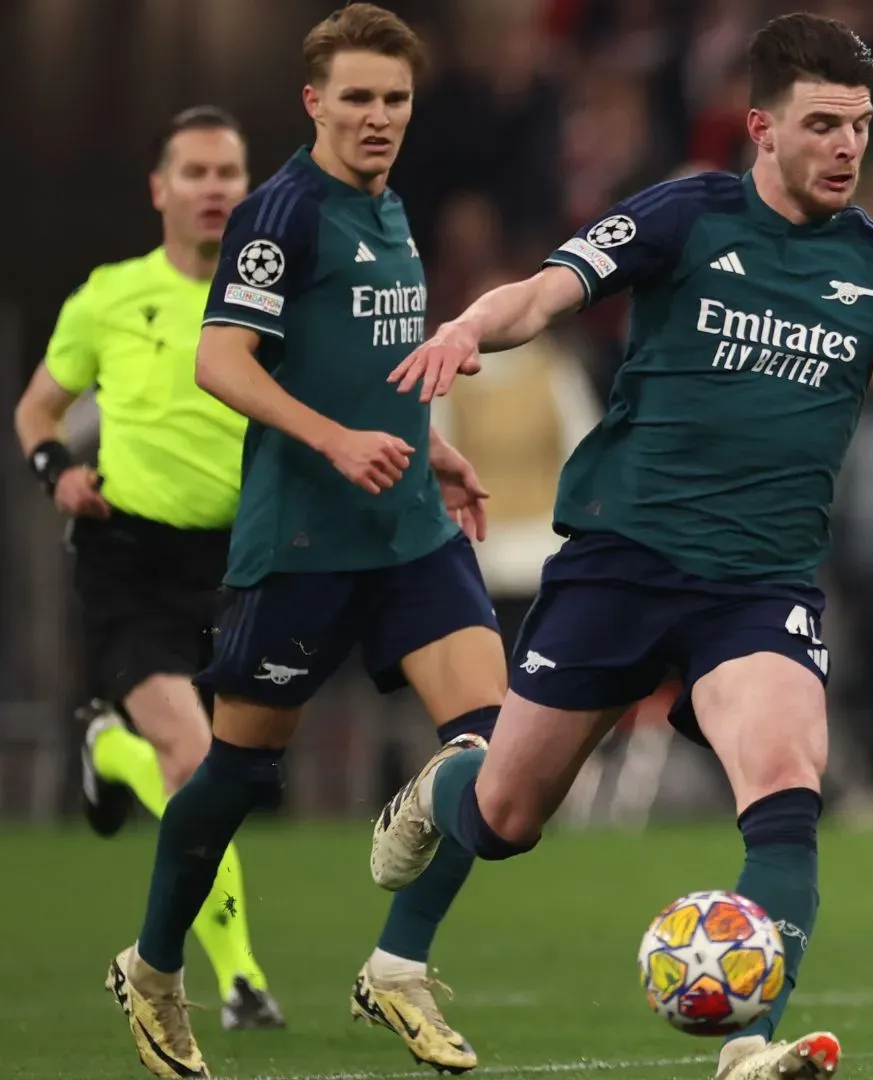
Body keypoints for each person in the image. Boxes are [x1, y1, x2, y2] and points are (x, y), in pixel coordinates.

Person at [369, 13, 873, 1080]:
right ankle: (426, 852)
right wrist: (471, 327)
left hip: (761, 585)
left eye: (861, 126)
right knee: (506, 817)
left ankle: (753, 1041)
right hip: (620, 561)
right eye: (823, 123)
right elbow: (549, 290)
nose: (847, 147)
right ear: (760, 127)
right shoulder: (686, 215)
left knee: (788, 781)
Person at [104, 7, 502, 1077]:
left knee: (501, 756)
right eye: (360, 98)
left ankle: (399, 969)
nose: (380, 118)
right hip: (307, 541)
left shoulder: (390, 205)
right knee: (237, 774)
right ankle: (151, 968)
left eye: (397, 99)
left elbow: (367, 347)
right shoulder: (282, 212)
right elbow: (220, 360)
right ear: (314, 102)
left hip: (409, 530)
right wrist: (332, 441)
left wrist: (434, 448)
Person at [13, 106, 286, 1031]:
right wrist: (59, 473)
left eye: (229, 173)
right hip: (126, 552)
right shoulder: (108, 296)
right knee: (197, 757)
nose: (215, 188)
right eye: (197, 172)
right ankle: (242, 981)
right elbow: (37, 412)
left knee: (229, 775)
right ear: (160, 190)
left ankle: (108, 749)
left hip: (238, 559)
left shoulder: (274, 294)